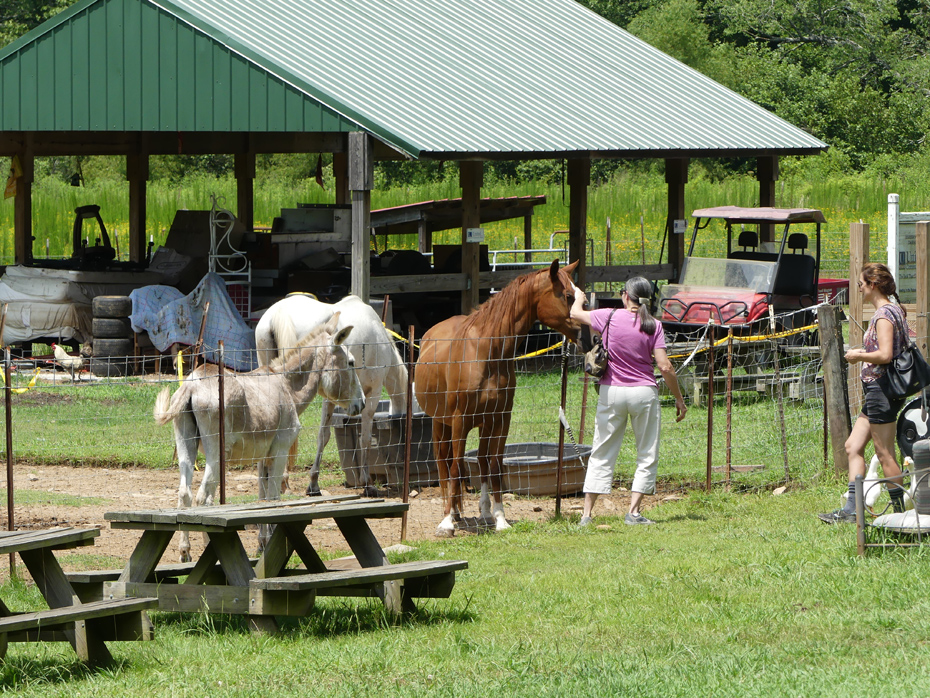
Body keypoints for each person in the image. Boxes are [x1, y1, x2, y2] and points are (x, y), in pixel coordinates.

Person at [570, 277, 687, 526]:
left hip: (611, 392)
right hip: (644, 393)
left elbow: (575, 314)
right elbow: (664, 366)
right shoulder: (653, 325)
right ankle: (633, 512)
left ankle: (587, 515)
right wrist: (679, 398)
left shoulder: (608, 317)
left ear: (625, 296)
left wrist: (579, 296)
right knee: (647, 453)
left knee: (602, 451)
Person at [819, 262, 910, 523]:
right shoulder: (894, 311)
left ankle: (900, 514)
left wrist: (859, 355)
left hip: (882, 391)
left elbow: (885, 354)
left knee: (884, 453)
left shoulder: (884, 315)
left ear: (872, 285)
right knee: (852, 446)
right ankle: (852, 510)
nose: (858, 288)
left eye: (860, 284)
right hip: (876, 391)